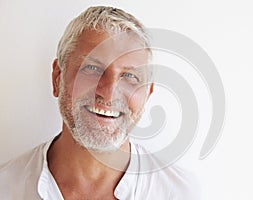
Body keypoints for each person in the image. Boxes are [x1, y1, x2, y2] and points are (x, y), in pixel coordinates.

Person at [0, 6, 201, 199]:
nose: (108, 93)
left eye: (130, 75)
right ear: (57, 78)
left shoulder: (177, 193)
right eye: (92, 69)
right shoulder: (6, 187)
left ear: (148, 93)